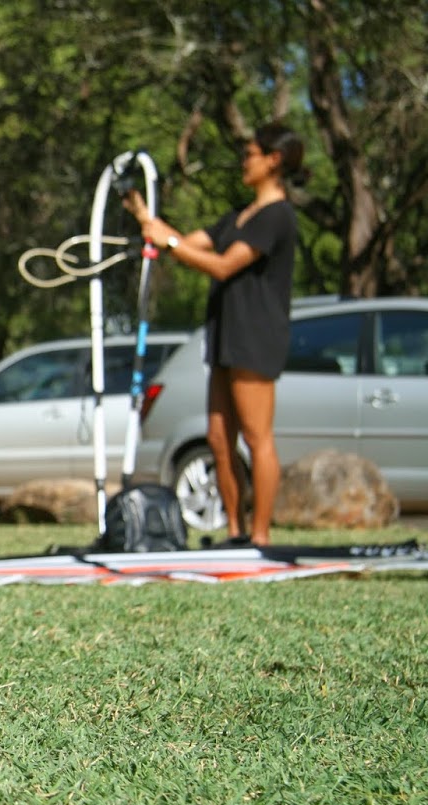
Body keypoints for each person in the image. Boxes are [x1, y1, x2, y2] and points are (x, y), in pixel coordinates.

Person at [124, 123, 305, 547]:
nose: (245, 161)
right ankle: (236, 532)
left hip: (256, 337)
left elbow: (224, 265)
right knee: (220, 440)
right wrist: (144, 218)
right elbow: (190, 244)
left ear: (273, 160)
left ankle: (261, 537)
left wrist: (167, 241)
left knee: (258, 437)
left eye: (251, 154)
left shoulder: (277, 216)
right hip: (224, 335)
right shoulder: (240, 217)